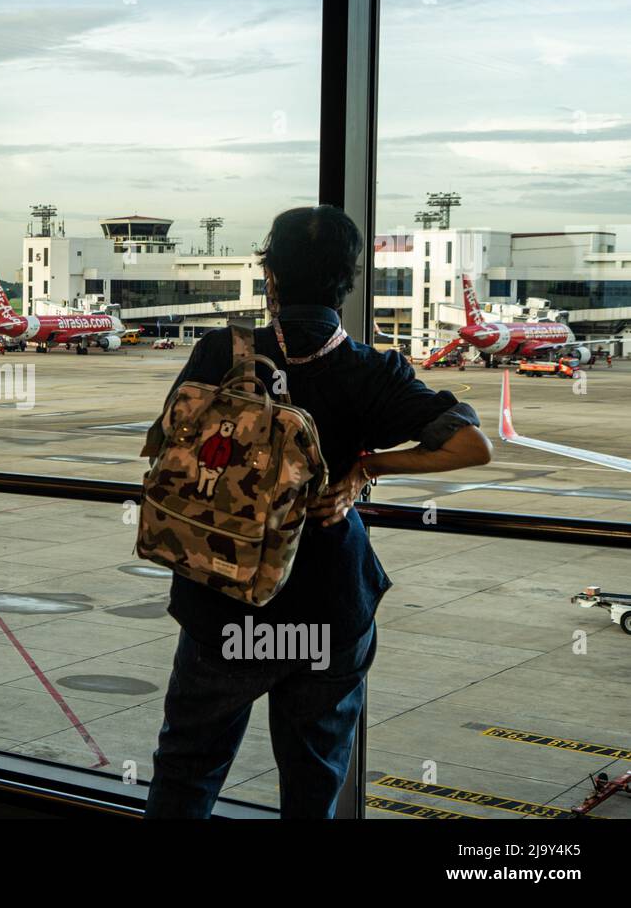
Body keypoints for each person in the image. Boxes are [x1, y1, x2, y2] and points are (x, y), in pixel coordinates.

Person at [144, 205, 493, 819]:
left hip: (226, 603)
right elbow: (471, 445)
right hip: (328, 612)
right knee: (313, 786)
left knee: (187, 773)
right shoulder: (370, 367)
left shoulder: (219, 352)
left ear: (269, 272)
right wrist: (368, 468)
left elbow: (164, 446)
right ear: (349, 279)